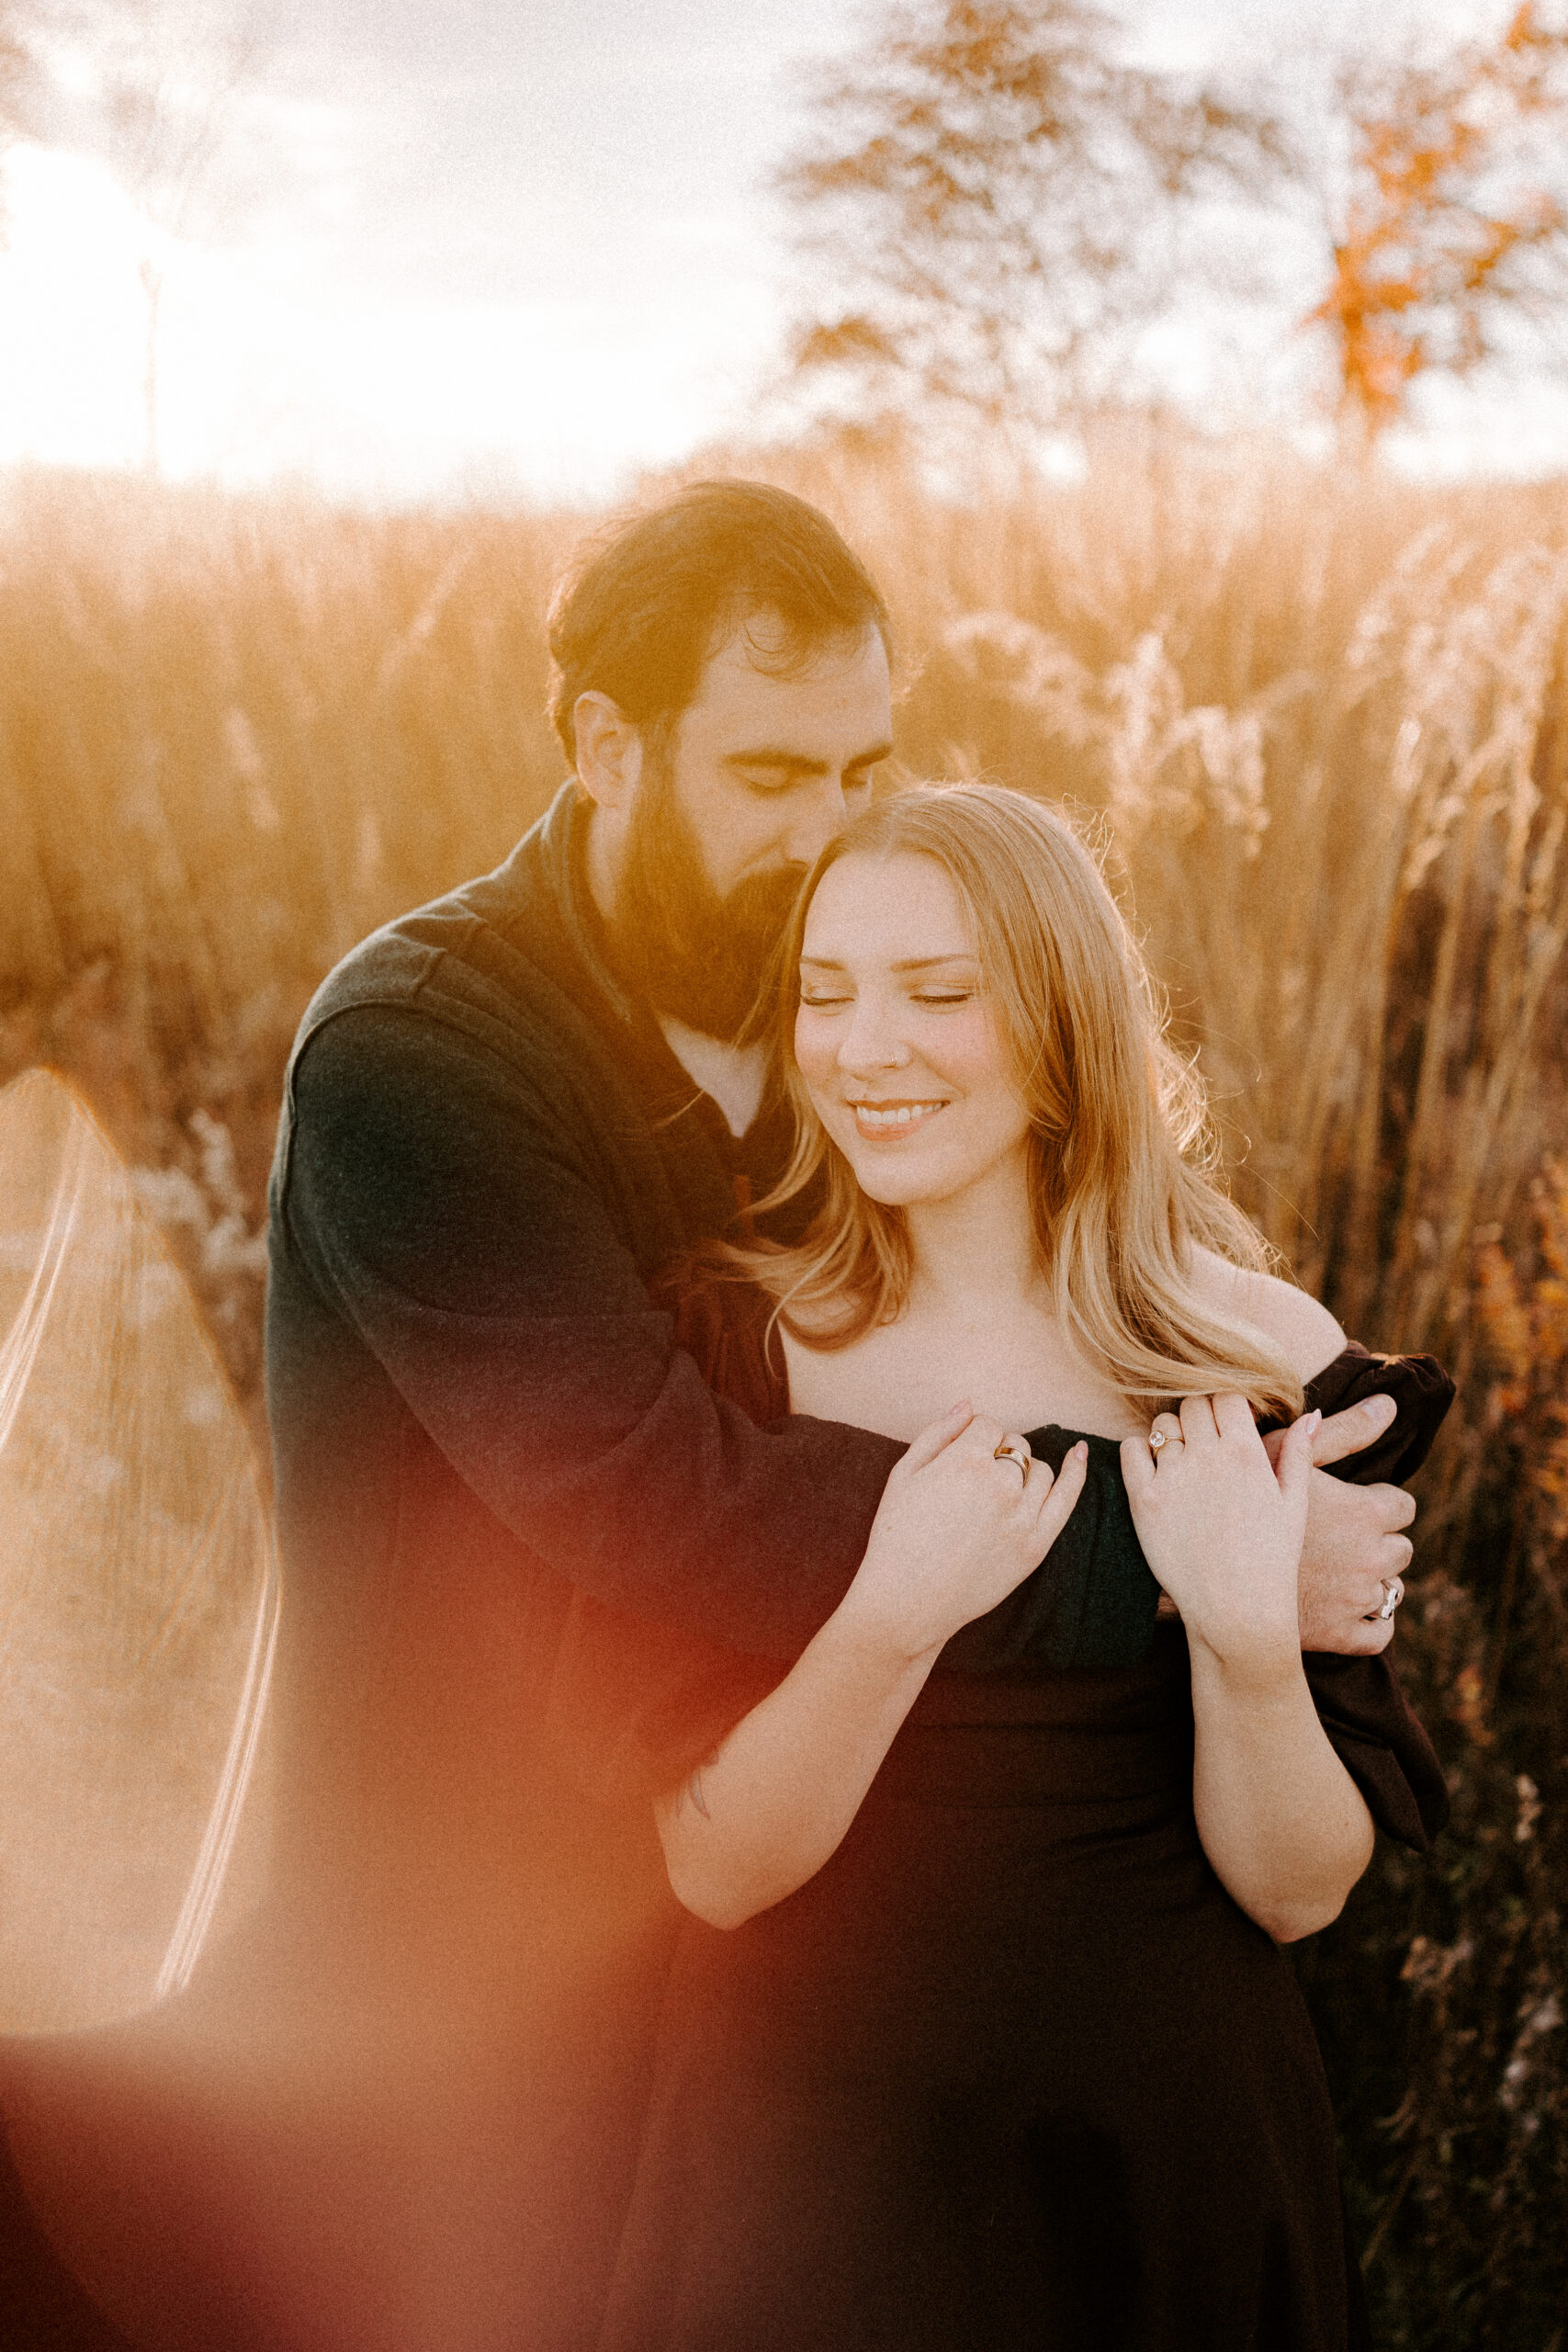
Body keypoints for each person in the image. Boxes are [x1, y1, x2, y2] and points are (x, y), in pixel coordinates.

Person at [0, 482, 1430, 2352]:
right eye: (772, 773)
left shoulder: (824, 995)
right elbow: (655, 1487)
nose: (828, 832)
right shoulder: (425, 1052)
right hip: (488, 1887)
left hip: (877, 1984)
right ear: (606, 745)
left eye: (864, 766)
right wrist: (1180, 1550)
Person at [585, 785, 1451, 2352]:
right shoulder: (733, 1351)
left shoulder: (1265, 1357)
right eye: (826, 995)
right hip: (814, 2174)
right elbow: (716, 1869)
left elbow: (1300, 1889)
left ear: (1062, 1022)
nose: (867, 1049)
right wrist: (893, 1618)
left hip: (1161, 2167)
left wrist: (1244, 1641)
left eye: (937, 994)